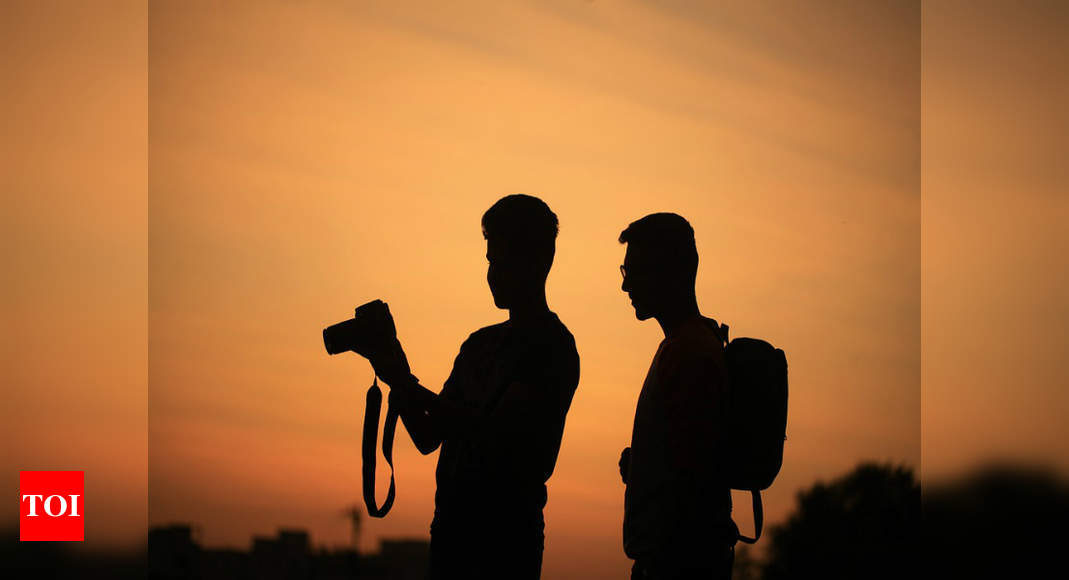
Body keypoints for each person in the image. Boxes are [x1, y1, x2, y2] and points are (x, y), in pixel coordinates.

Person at [362, 194, 580, 580]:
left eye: (499, 261)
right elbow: (429, 436)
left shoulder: (552, 347)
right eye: (489, 262)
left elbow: (494, 434)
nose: (492, 274)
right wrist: (394, 372)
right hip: (451, 535)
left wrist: (405, 380)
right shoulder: (479, 345)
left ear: (535, 262)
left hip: (505, 544)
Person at [617, 213, 735, 580]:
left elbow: (692, 474)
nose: (626, 286)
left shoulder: (690, 353)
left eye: (634, 271)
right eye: (625, 271)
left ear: (670, 271)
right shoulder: (688, 346)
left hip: (678, 562)